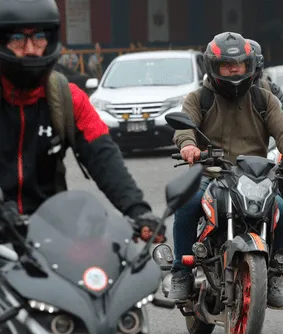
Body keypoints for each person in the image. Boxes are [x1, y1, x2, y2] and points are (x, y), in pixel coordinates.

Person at [168, 31, 283, 310]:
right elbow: (185, 127)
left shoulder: (264, 99)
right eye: (226, 65)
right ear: (214, 66)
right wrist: (188, 146)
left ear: (250, 65)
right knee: (187, 204)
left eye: (240, 64)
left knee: (282, 213)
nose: (234, 69)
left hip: (254, 176)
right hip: (212, 174)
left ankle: (270, 275)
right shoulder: (199, 99)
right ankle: (181, 273)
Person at [0, 0, 162, 241]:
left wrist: (137, 210)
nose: (31, 49)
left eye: (39, 37)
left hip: (49, 233)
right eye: (17, 39)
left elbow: (103, 157)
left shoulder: (67, 97)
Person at [247, 38, 283, 253]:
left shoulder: (268, 90)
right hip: (228, 159)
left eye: (246, 64)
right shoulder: (213, 92)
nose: (238, 70)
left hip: (265, 152)